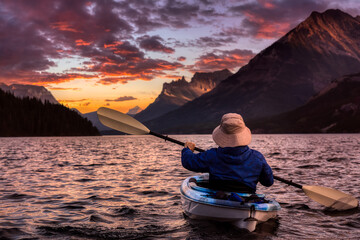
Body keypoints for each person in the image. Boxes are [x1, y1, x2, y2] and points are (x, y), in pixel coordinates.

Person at [181, 113, 273, 193]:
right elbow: (268, 182)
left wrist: (187, 150)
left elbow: (189, 162)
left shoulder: (213, 155)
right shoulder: (257, 157)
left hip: (218, 198)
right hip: (247, 201)